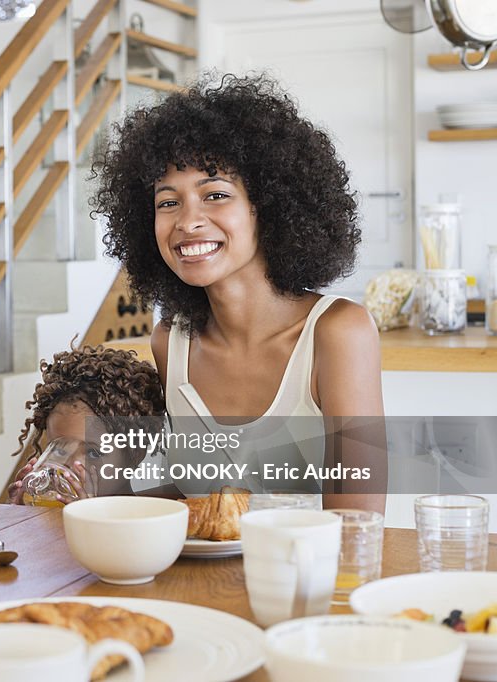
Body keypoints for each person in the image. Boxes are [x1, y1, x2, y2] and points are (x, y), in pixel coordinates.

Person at [92, 74, 386, 513]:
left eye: (215, 195)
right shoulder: (170, 341)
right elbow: (195, 496)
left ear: (265, 206)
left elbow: (357, 523)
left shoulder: (337, 333)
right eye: (167, 202)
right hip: (192, 584)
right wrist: (95, 498)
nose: (188, 221)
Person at [6, 342, 164, 504]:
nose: (70, 467)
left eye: (93, 453)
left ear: (135, 454)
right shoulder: (50, 507)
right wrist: (17, 514)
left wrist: (86, 519)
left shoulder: (144, 521)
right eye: (60, 451)